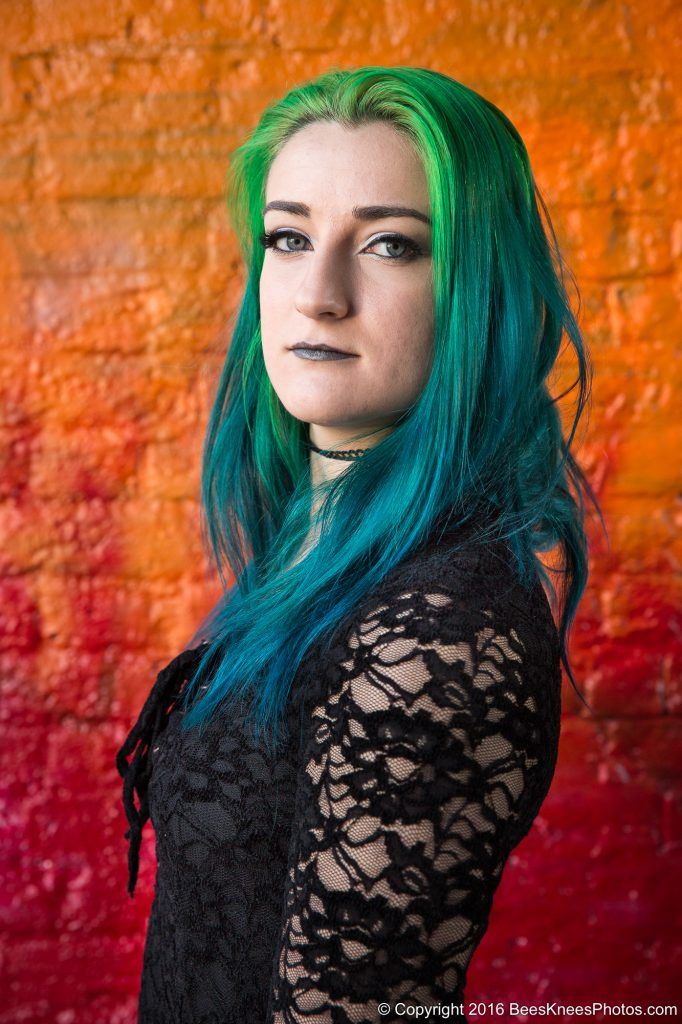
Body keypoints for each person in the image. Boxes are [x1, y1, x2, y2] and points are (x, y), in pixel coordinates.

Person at [116, 65, 603, 1024]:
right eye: (289, 237)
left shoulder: (438, 634)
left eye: (389, 244)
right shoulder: (320, 553)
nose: (318, 294)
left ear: (476, 289)